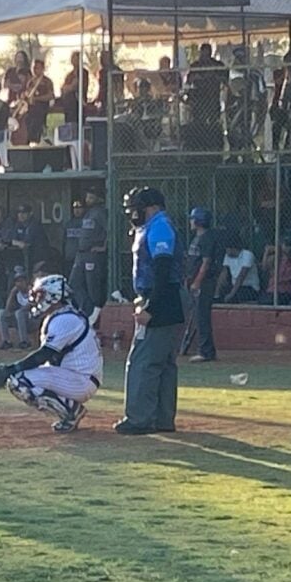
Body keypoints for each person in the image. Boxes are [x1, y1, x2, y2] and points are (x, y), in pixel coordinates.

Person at [115, 186, 184, 435]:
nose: (133, 213)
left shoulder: (159, 227)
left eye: (137, 208)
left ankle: (139, 419)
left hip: (160, 299)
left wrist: (151, 307)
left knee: (142, 362)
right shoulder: (154, 226)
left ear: (151, 207)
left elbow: (163, 270)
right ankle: (162, 419)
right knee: (164, 363)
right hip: (167, 298)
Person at [0, 274, 102, 433]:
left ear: (53, 297)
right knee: (22, 377)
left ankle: (71, 411)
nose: (37, 300)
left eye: (41, 295)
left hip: (80, 379)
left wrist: (10, 369)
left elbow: (44, 355)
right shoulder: (61, 316)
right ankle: (71, 408)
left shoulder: (65, 319)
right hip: (78, 376)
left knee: (19, 381)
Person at [185, 206, 222, 363]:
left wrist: (197, 282)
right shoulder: (198, 237)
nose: (191, 222)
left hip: (204, 283)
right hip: (196, 281)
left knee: (202, 316)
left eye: (193, 219)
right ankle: (206, 350)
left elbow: (206, 263)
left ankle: (205, 351)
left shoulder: (207, 237)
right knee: (199, 316)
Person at [69, 188, 107, 325]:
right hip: (81, 253)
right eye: (87, 197)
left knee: (93, 286)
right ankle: (87, 310)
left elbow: (111, 230)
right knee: (74, 283)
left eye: (91, 197)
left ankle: (95, 315)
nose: (88, 200)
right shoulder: (88, 213)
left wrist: (104, 247)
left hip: (93, 254)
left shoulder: (101, 212)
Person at [185, 43, 227, 151]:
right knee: (198, 122)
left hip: (213, 97)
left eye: (207, 53)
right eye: (203, 53)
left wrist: (213, 76)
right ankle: (199, 146)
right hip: (198, 99)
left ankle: (214, 146)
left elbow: (225, 78)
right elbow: (189, 80)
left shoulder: (217, 64)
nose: (205, 56)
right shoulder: (195, 65)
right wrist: (199, 77)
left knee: (213, 122)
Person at [217, 234, 260, 303]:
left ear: (232, 248)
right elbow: (223, 274)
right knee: (222, 295)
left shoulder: (247, 255)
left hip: (249, 287)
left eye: (226, 248)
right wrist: (217, 293)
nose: (225, 251)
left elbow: (241, 276)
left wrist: (231, 294)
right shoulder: (228, 256)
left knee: (237, 295)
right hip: (235, 286)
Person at [0, 267, 32, 350]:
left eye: (21, 281)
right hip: (20, 321)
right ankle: (6, 341)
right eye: (17, 281)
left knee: (19, 313)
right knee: (2, 313)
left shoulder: (33, 291)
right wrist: (12, 294)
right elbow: (7, 309)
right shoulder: (16, 292)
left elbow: (29, 306)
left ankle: (25, 341)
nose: (19, 284)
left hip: (33, 320)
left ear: (26, 281)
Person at [23, 59, 55, 144]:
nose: (35, 70)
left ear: (42, 69)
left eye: (37, 68)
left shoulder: (47, 81)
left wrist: (37, 99)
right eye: (34, 68)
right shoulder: (30, 82)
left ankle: (36, 139)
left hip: (41, 107)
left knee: (37, 120)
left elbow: (50, 96)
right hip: (30, 108)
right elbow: (27, 93)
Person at [260, 239, 291, 305]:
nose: (287, 248)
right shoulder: (275, 258)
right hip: (272, 289)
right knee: (264, 300)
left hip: (285, 289)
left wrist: (282, 279)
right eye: (285, 245)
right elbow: (264, 267)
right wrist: (266, 252)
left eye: (289, 246)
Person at [59, 51, 90, 125]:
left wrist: (69, 87)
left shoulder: (83, 72)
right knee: (69, 121)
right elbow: (63, 87)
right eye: (72, 59)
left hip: (78, 101)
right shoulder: (69, 74)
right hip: (68, 103)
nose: (74, 61)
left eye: (76, 59)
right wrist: (66, 88)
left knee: (78, 121)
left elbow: (76, 85)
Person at [62, 200, 85, 276]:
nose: (77, 210)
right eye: (75, 208)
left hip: (81, 259)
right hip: (69, 259)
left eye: (79, 208)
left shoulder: (86, 222)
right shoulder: (69, 224)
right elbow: (64, 241)